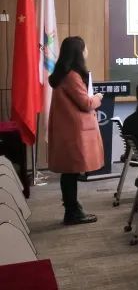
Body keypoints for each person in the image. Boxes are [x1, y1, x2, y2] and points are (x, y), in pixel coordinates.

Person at [47, 36, 103, 225]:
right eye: (84, 48)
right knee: (70, 173)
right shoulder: (72, 76)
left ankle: (72, 210)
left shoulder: (63, 74)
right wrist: (97, 98)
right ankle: (72, 212)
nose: (87, 51)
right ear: (79, 52)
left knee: (69, 172)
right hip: (73, 132)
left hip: (68, 130)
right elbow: (86, 103)